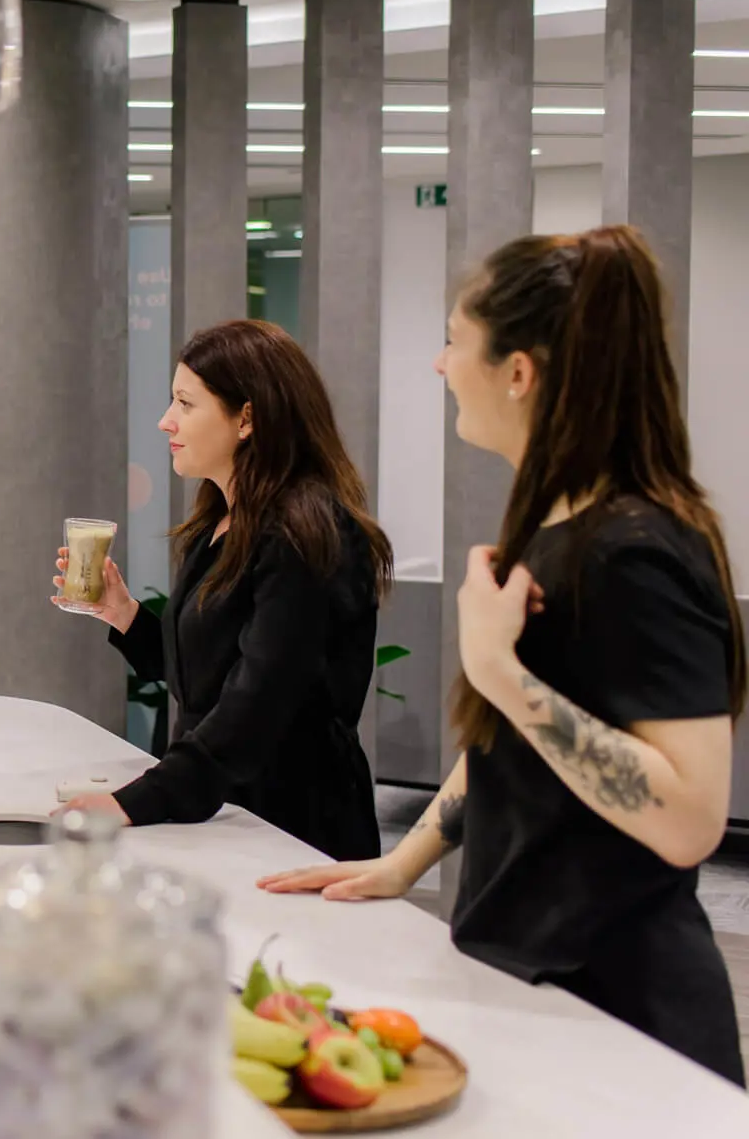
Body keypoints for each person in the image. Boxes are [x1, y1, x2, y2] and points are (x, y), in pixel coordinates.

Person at [260, 227, 744, 1084]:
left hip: (621, 1015)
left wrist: (503, 675)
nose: (440, 364)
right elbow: (514, 746)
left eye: (454, 340)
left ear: (518, 371)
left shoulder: (636, 549)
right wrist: (405, 861)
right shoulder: (560, 524)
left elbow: (692, 818)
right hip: (535, 979)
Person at [52, 319, 392, 861]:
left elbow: (259, 702)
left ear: (247, 418)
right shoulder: (219, 523)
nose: (166, 420)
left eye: (185, 404)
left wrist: (135, 801)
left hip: (294, 828)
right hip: (226, 814)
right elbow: (207, 678)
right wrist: (123, 614)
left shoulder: (303, 533)